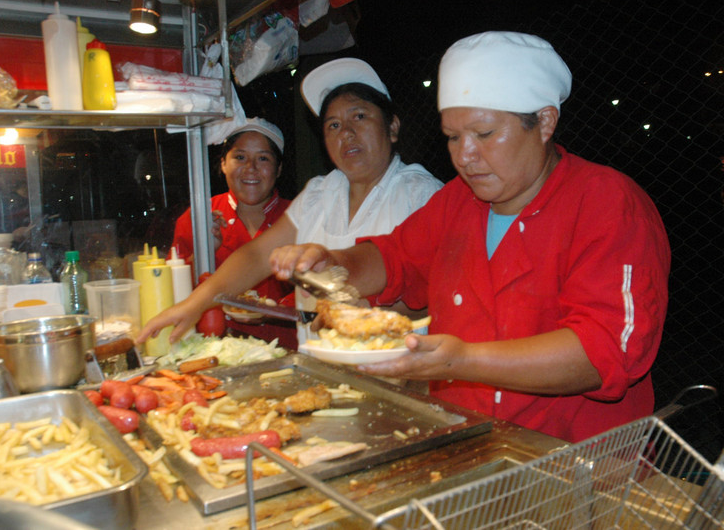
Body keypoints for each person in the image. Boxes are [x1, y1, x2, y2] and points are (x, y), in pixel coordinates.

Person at [269, 31, 671, 443]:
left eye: (484, 134)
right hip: (470, 444)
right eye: (453, 137)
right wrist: (333, 263)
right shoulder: (459, 201)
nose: (464, 156)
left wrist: (460, 361)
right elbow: (394, 258)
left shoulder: (606, 203)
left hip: (578, 461)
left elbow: (602, 352)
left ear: (545, 122)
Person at [138, 57, 444, 349]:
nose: (346, 133)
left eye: (359, 116)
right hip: (322, 368)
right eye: (333, 125)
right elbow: (257, 256)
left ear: (392, 127)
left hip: (399, 375)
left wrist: (365, 312)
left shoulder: (422, 194)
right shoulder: (321, 192)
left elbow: (437, 297)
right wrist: (196, 304)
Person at [171, 117, 295, 347]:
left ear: (278, 169)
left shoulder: (298, 216)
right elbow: (172, 294)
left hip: (286, 345)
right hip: (214, 345)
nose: (251, 168)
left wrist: (280, 306)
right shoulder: (198, 218)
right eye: (240, 157)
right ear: (223, 164)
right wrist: (201, 255)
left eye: (263, 158)